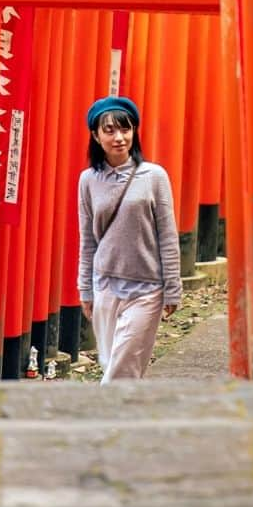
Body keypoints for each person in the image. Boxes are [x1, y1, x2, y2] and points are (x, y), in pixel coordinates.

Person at [77, 96, 182, 383]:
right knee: (115, 364)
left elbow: (168, 235)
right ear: (96, 136)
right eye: (109, 130)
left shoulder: (154, 176)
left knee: (121, 370)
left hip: (146, 288)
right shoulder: (88, 180)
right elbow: (87, 239)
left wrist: (173, 287)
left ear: (134, 131)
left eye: (125, 129)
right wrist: (85, 288)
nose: (119, 137)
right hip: (105, 285)